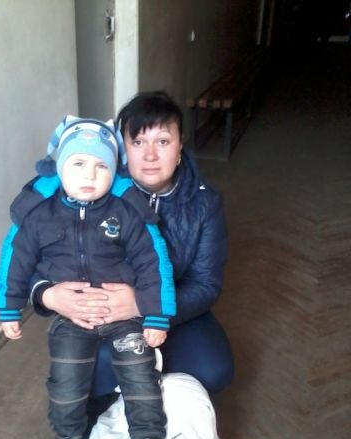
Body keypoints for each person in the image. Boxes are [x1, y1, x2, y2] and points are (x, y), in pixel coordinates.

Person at [0, 116, 176, 439]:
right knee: (66, 380)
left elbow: (153, 260)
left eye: (101, 166)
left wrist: (156, 314)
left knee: (140, 375)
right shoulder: (39, 213)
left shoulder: (126, 211)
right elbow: (15, 258)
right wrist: (9, 307)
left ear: (114, 171)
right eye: (78, 163)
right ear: (60, 167)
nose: (89, 175)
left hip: (123, 317)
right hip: (71, 317)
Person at [30, 92, 234, 407]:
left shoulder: (204, 202)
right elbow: (31, 259)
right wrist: (48, 295)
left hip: (177, 309)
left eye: (162, 141)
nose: (150, 155)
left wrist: (143, 305)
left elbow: (205, 284)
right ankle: (95, 426)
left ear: (180, 147)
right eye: (137, 142)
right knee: (91, 370)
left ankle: (170, 425)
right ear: (122, 149)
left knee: (212, 369)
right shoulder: (89, 190)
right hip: (104, 314)